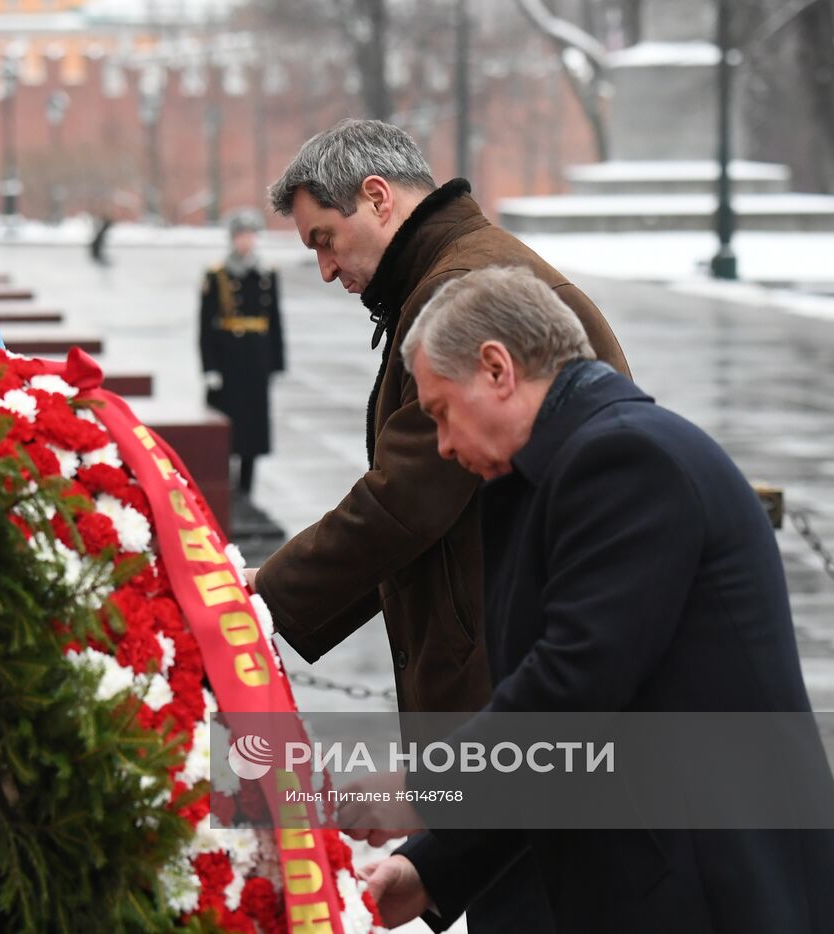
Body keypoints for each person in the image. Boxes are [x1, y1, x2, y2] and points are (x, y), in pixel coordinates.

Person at [360, 265, 834, 932]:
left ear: (497, 369)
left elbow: (572, 690)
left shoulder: (626, 461)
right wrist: (432, 870)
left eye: (441, 411)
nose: (443, 443)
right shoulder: (552, 477)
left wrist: (425, 786)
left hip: (737, 895)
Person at [248, 118, 628, 930]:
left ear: (378, 199)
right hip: (510, 682)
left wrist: (258, 604)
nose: (323, 269)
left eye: (326, 238)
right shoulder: (455, 275)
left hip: (515, 684)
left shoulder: (466, 289)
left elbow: (404, 501)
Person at [199, 208, 285, 496]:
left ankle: (247, 487)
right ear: (232, 239)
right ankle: (225, 487)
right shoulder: (218, 274)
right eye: (241, 236)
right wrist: (209, 366)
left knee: (253, 427)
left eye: (250, 236)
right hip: (229, 359)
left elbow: (274, 319)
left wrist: (276, 362)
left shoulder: (266, 273)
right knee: (226, 425)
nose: (246, 242)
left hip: (257, 357)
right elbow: (205, 325)